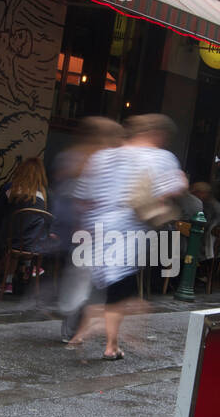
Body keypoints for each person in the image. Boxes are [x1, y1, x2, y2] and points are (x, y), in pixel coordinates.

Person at [68, 114, 188, 360]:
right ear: (158, 135)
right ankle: (106, 339)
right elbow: (171, 189)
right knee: (122, 288)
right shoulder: (162, 157)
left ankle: (98, 334)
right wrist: (180, 183)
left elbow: (82, 195)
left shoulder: (103, 156)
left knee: (112, 286)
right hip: (128, 228)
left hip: (97, 227)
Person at [53, 117, 122, 342]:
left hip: (84, 228)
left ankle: (72, 321)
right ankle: (73, 325)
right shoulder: (100, 161)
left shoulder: (76, 156)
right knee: (86, 277)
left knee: (82, 276)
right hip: (92, 229)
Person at [0, 157, 55, 294]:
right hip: (34, 245)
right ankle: (29, 266)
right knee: (33, 234)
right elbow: (50, 219)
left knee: (13, 247)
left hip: (10, 240)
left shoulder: (9, 188)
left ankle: (7, 283)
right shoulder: (46, 194)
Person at [190, 181, 220, 263]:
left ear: (203, 193)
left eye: (195, 193)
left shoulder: (209, 205)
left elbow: (203, 224)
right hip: (216, 243)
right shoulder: (211, 203)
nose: (193, 196)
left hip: (213, 245)